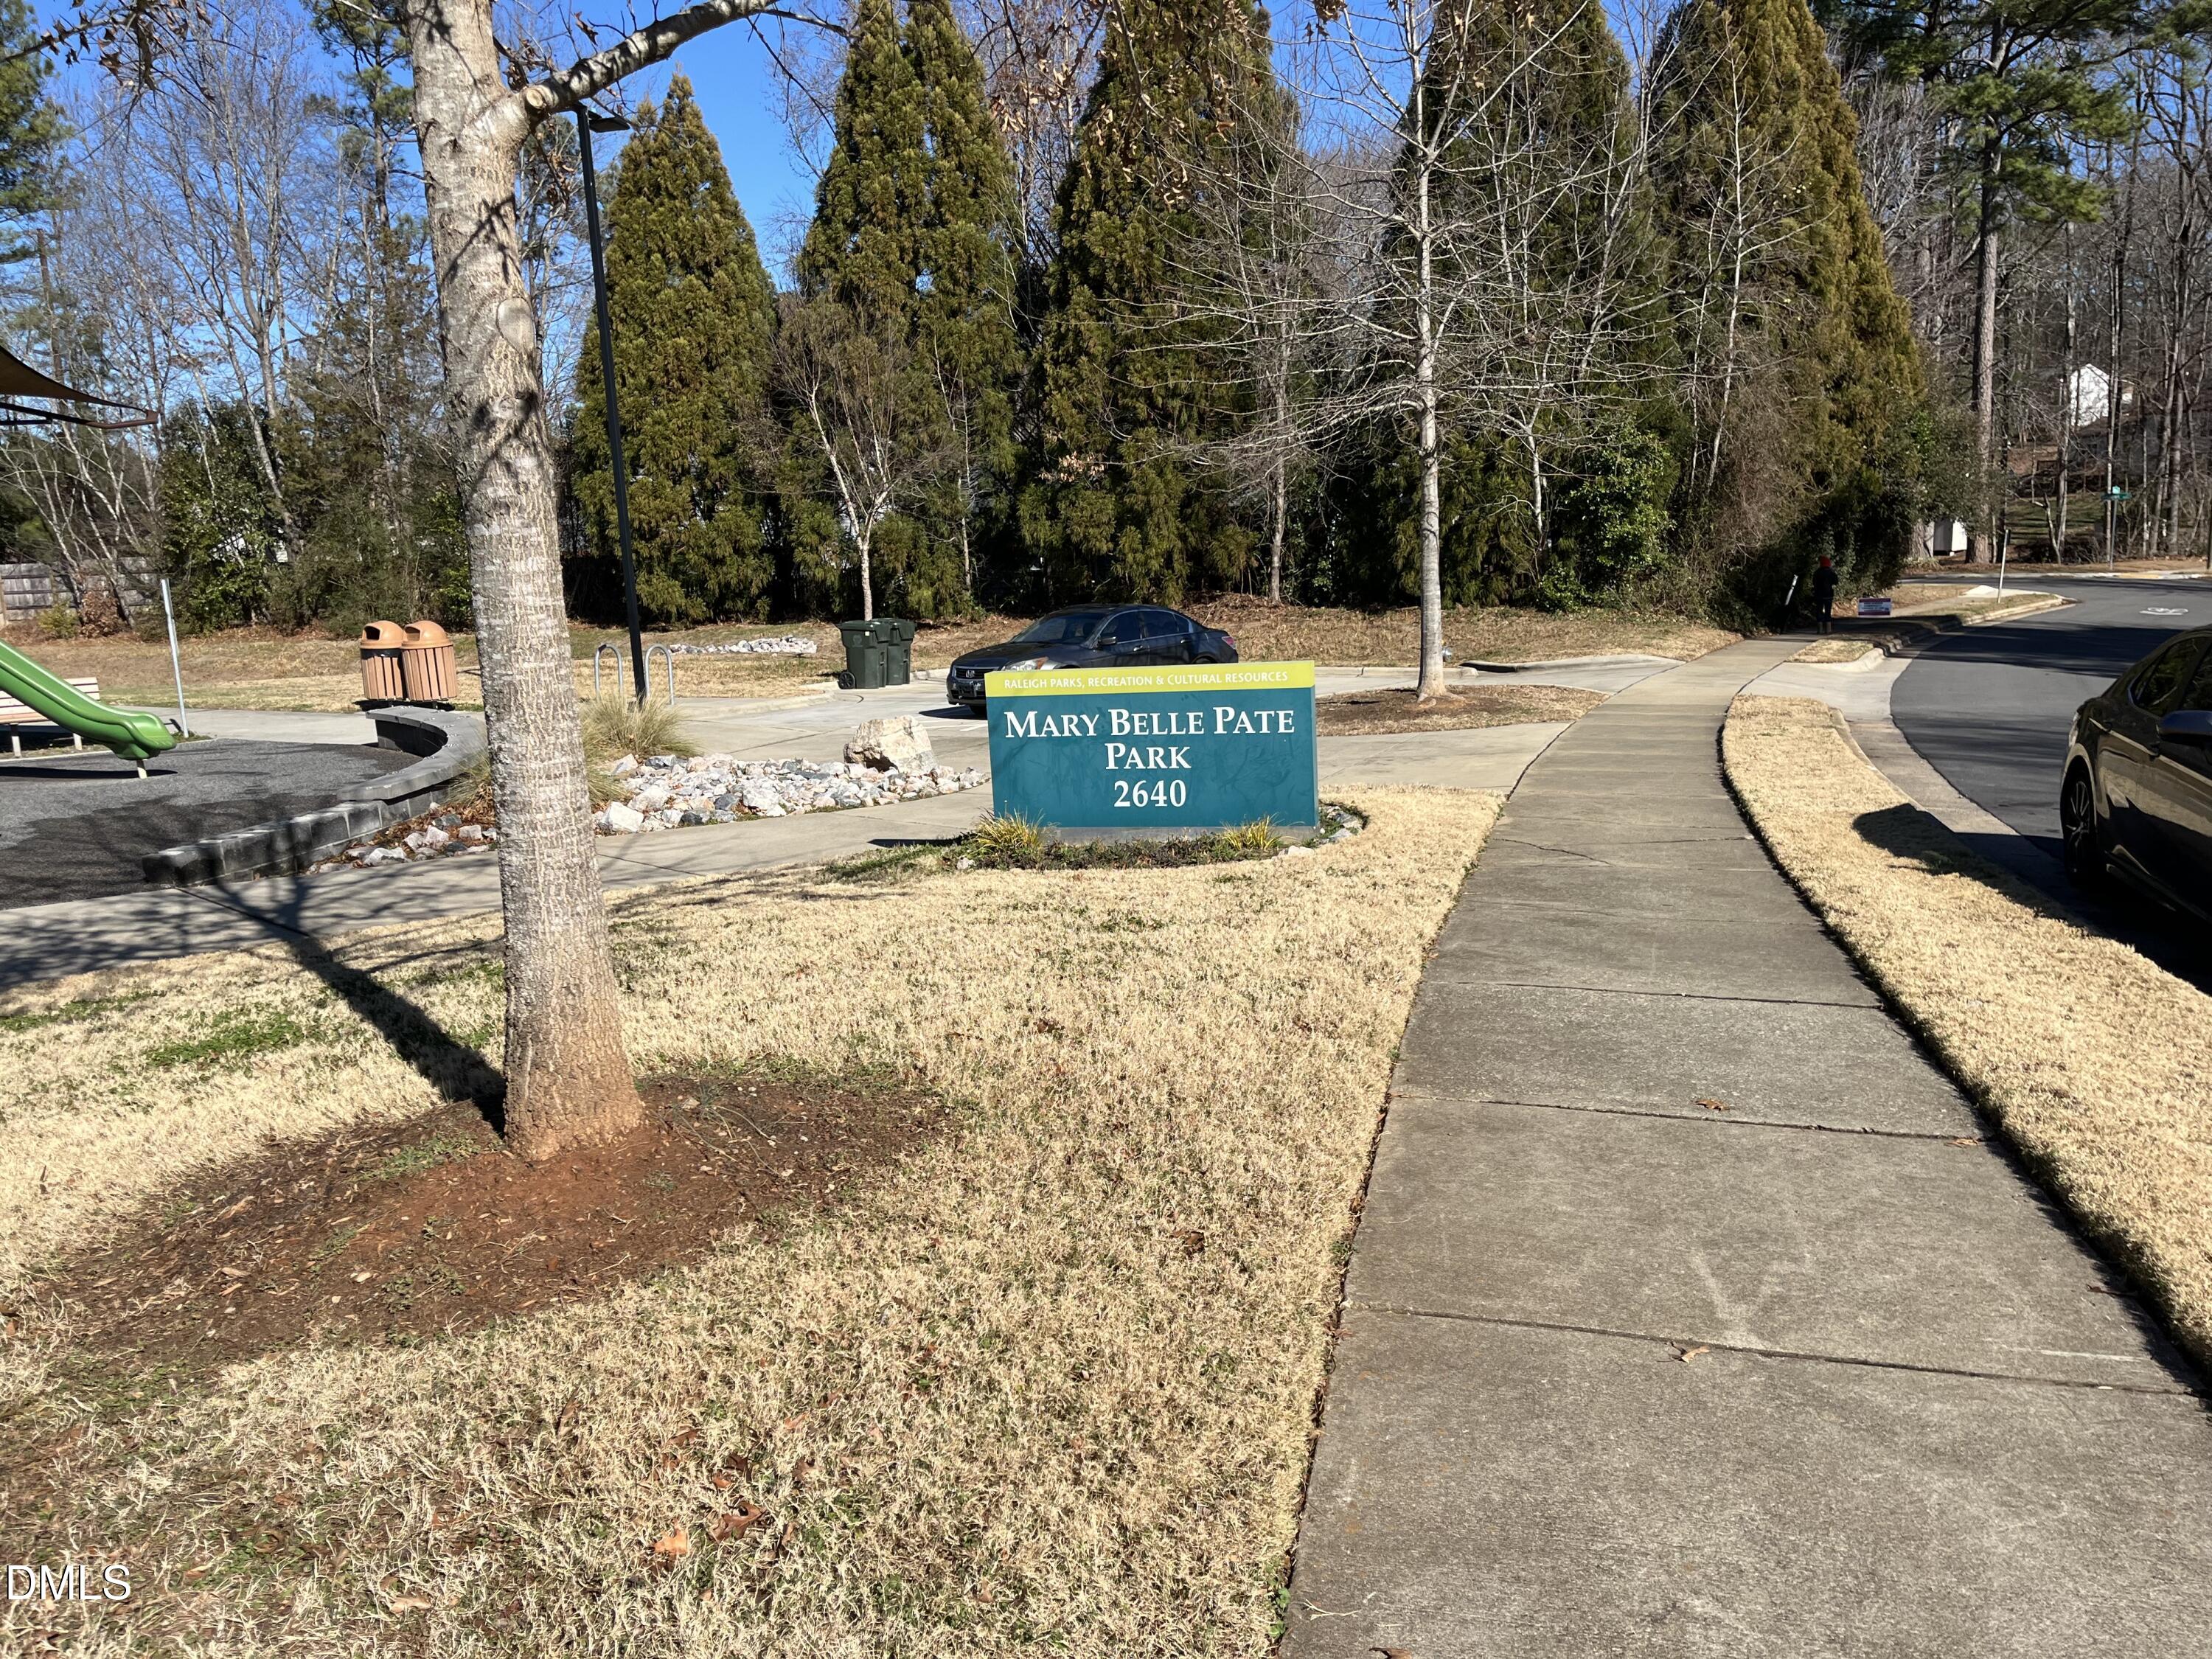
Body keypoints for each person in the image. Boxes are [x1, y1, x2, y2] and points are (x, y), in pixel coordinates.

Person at [1810, 555, 1839, 634]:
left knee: (1819, 611)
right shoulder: (1831, 572)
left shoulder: (1817, 572)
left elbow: (1814, 582)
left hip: (1819, 595)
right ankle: (1828, 630)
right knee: (1828, 612)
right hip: (1829, 595)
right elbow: (1836, 582)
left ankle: (1819, 630)